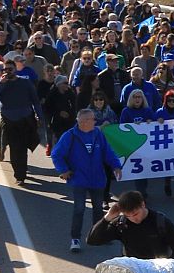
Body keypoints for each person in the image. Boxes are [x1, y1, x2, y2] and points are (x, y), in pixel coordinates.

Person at [51, 107, 122, 253]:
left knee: (98, 209)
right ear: (83, 122)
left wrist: (116, 165)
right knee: (79, 209)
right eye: (92, 119)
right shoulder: (70, 136)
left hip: (97, 178)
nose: (95, 121)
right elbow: (56, 154)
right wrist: (63, 170)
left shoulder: (97, 134)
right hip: (79, 179)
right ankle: (75, 239)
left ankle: (98, 235)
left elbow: (107, 151)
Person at [0, 63, 45, 181]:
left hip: (25, 119)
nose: (7, 72)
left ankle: (21, 174)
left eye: (10, 69)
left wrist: (40, 116)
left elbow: (35, 100)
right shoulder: (0, 82)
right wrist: (1, 84)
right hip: (9, 120)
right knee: (14, 147)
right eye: (5, 69)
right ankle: (18, 174)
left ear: (15, 70)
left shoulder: (25, 82)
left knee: (22, 147)